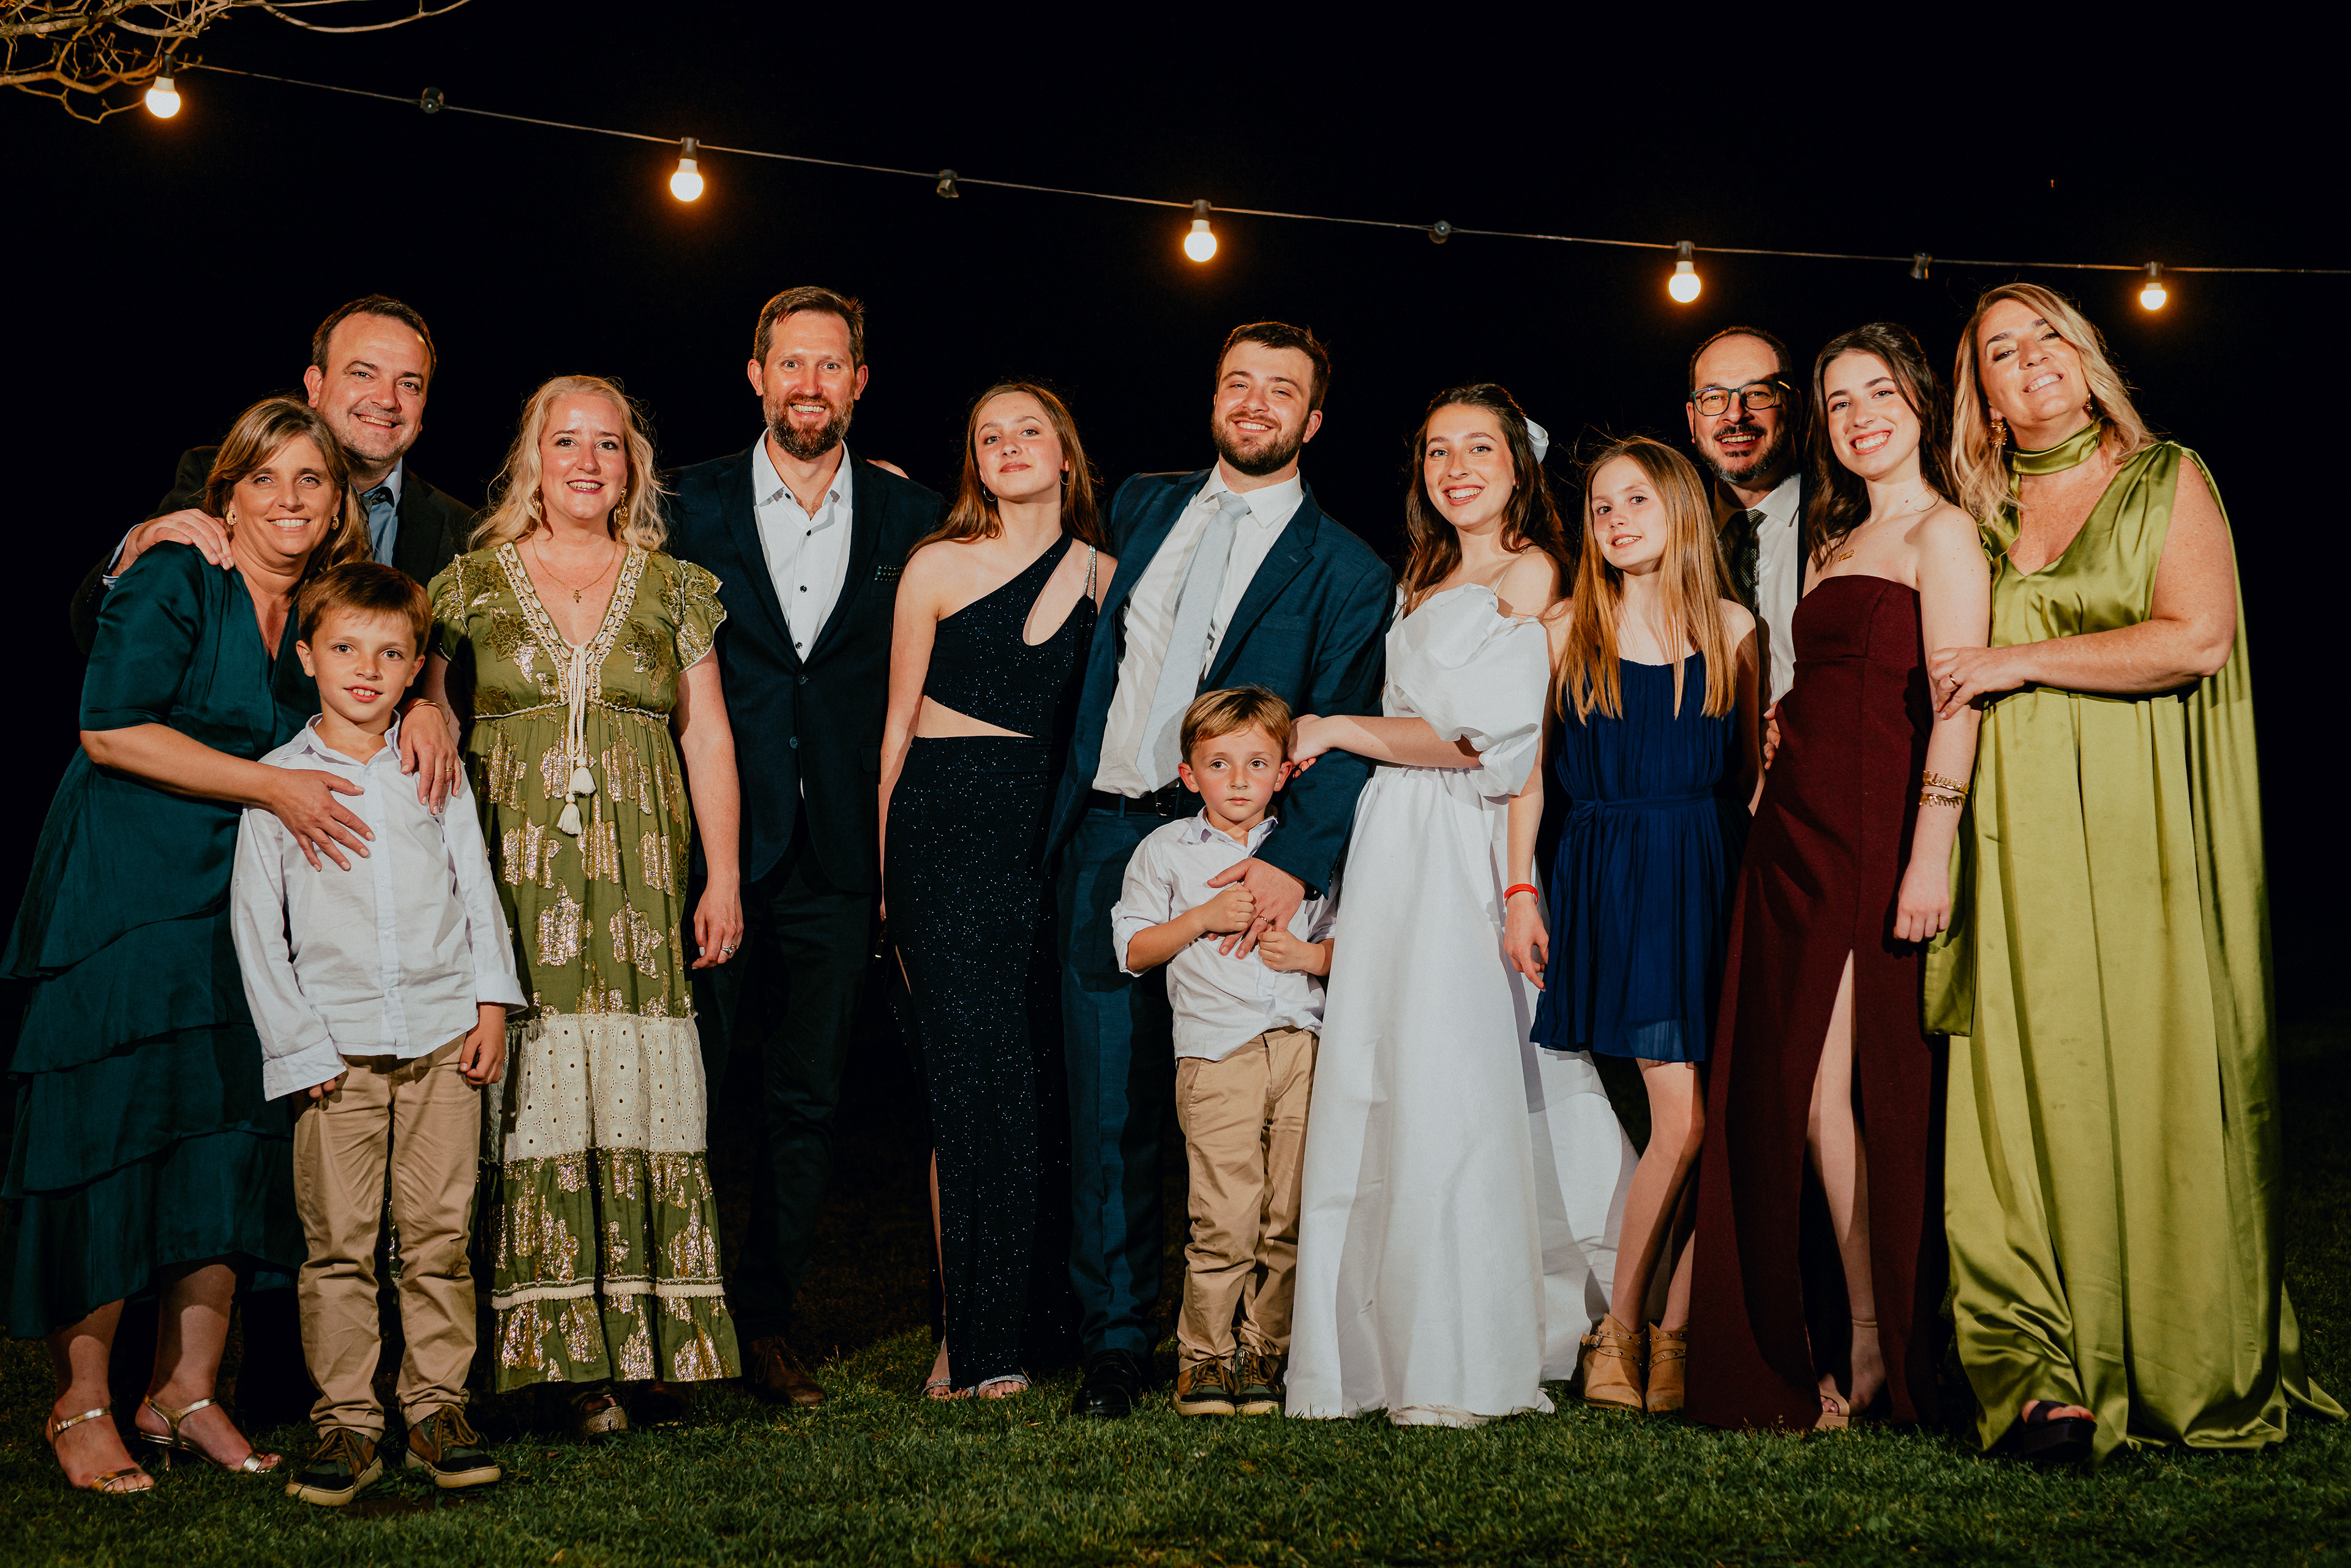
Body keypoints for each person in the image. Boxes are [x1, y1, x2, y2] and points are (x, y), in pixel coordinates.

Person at [1924, 283, 2340, 1463]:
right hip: (2016, 840)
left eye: (2047, 335)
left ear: (2089, 355)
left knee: (2153, 1072)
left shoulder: (2167, 478)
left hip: (2144, 830)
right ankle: (2036, 1370)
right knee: (2024, 1089)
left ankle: (2176, 1353)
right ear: (1983, 400)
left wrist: (2018, 660)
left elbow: (2195, 638)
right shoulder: (1979, 514)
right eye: (2000, 352)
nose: (2030, 359)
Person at [6, 397, 372, 1492]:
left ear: (338, 502)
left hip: (238, 899)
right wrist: (271, 785)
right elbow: (109, 729)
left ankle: (186, 1391)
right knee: (110, 1137)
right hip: (127, 889)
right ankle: (80, 1402)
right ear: (226, 496)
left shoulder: (319, 606)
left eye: (312, 480)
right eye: (266, 479)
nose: (290, 500)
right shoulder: (177, 573)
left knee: (225, 1133)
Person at [1045, 321, 1390, 1421]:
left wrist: (1288, 867)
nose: (1254, 402)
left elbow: (1343, 731)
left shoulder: (1348, 570)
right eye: (1238, 382)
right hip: (1113, 832)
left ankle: (1251, 1337)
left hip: (1245, 857)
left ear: (1313, 420)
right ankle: (1115, 1340)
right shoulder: (1142, 505)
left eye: (1280, 389)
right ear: (1213, 396)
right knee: (1110, 1106)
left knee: (1246, 1111)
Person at [1286, 385, 1632, 1425]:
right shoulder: (1423, 575)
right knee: (1384, 1068)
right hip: (1395, 837)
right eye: (1438, 451)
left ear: (1518, 467)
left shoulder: (1535, 574)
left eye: (1480, 448)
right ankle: (1374, 1343)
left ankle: (1468, 1341)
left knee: (1456, 1069)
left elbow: (1486, 743)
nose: (1456, 468)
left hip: (1459, 839)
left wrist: (1335, 728)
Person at [422, 375, 745, 1437]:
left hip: (642, 877)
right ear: (532, 458)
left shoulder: (677, 588)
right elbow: (429, 715)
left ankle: (645, 1344)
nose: (586, 462)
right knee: (531, 1084)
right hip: (513, 874)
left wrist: (724, 875)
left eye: (608, 445)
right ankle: (552, 1358)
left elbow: (706, 735)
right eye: (566, 442)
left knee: (639, 1084)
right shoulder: (466, 586)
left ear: (632, 467)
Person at [1686, 322, 1989, 1433]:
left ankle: (1879, 1342)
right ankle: (1846, 1327)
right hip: (1794, 831)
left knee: (1854, 1087)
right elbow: (1824, 678)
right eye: (1840, 402)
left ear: (1920, 404)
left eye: (1879, 394)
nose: (1860, 418)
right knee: (1798, 1089)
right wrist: (1778, 727)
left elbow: (1958, 703)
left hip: (1876, 830)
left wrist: (1930, 850)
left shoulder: (1945, 534)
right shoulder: (1835, 539)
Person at [664, 286, 943, 1408]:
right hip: (710, 851)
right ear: (756, 376)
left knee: (808, 1102)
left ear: (860, 383)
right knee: (681, 1092)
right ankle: (673, 1323)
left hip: (839, 854)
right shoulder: (681, 503)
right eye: (791, 364)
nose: (810, 384)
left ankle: (766, 1323)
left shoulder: (913, 515)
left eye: (831, 365)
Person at [230, 561, 523, 1506]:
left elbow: (474, 885)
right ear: (307, 657)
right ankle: (349, 1422)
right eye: (347, 648)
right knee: (340, 1246)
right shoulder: (278, 782)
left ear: (413, 668)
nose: (367, 669)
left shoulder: (431, 768)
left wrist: (490, 1006)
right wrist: (298, 1046)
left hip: (441, 1038)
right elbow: (256, 928)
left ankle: (437, 1409)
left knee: (438, 1236)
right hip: (336, 1052)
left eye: (392, 654)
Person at [878, 383, 1111, 1400]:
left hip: (1039, 845)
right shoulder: (936, 565)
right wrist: (886, 882)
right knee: (967, 1088)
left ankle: (1011, 1328)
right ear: (974, 463)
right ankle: (966, 1342)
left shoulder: (1106, 579)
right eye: (989, 436)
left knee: (1027, 1091)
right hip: (938, 830)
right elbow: (894, 732)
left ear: (1065, 453)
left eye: (1029, 431)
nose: (1010, 446)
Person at [1526, 435, 1759, 1416]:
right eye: (1602, 507)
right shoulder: (1564, 627)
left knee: (1727, 1120)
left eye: (1637, 501)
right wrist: (1521, 891)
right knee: (1685, 1119)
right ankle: (1619, 1330)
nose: (1617, 520)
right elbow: (1529, 779)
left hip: (1712, 875)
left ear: (1681, 511)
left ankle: (1676, 1332)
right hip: (1615, 878)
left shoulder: (1734, 628)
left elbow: (1750, 778)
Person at [1109, 688, 1336, 1418]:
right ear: (1188, 773)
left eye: (1257, 763)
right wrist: (1202, 916)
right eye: (1219, 763)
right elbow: (1133, 949)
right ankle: (1203, 1356)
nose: (1239, 779)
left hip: (1300, 1047)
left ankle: (1264, 1351)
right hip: (1216, 1055)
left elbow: (1356, 942)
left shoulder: (1305, 850)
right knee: (1224, 1216)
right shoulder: (1166, 851)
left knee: (1288, 1213)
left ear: (1284, 772)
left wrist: (1309, 954)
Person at [1687, 326, 1809, 705]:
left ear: (1794, 407)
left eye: (1757, 393)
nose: (1735, 415)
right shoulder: (1671, 537)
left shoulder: (1849, 520)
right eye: (1713, 398)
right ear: (1692, 420)